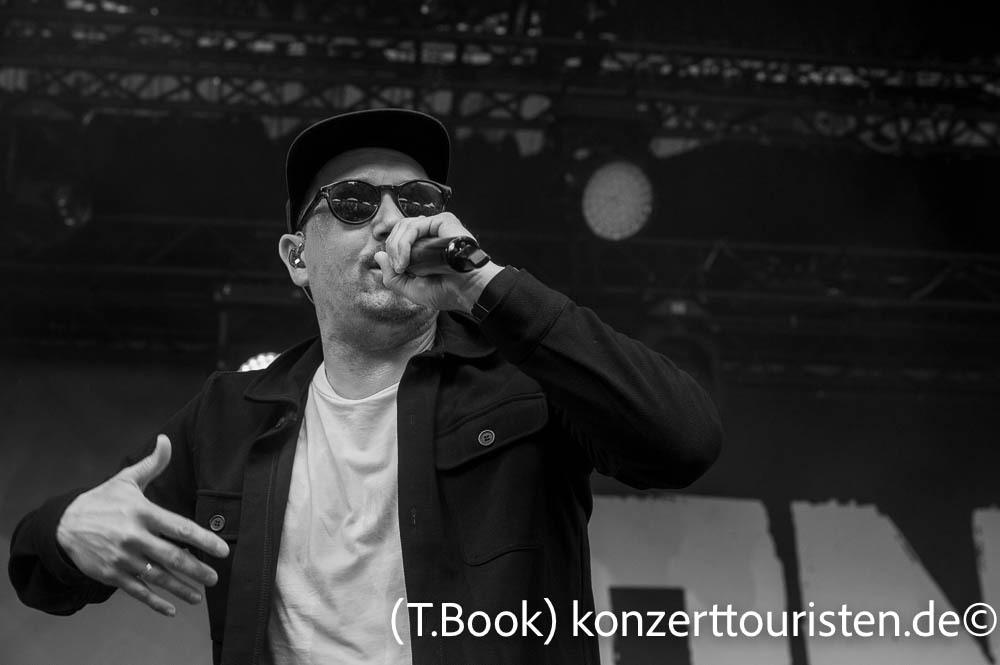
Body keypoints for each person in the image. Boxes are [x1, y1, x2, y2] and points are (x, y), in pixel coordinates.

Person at [8, 108, 723, 665]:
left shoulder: (523, 380)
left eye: (416, 199)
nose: (391, 221)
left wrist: (486, 285)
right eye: (352, 202)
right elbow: (41, 574)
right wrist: (68, 530)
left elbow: (683, 441)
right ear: (297, 257)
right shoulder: (231, 416)